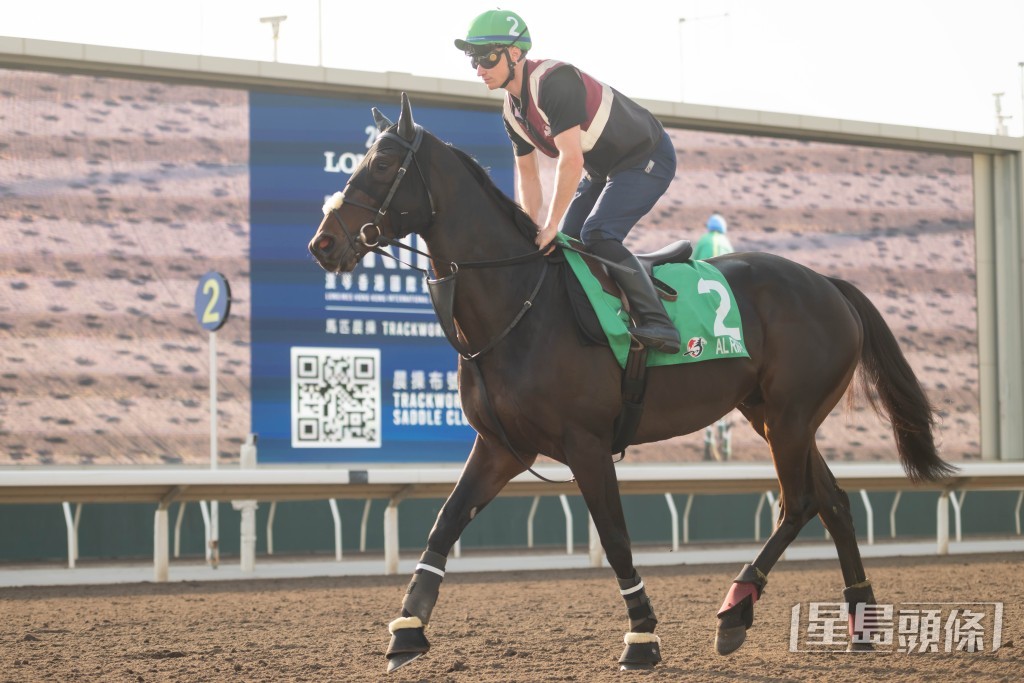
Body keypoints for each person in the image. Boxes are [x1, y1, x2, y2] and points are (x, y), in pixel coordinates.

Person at [454, 9, 681, 354]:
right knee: (568, 245)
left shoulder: (553, 83)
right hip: (604, 169)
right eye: (473, 61)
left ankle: (659, 323)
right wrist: (532, 230)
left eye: (487, 57)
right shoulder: (511, 111)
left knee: (597, 234)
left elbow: (570, 160)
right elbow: (527, 175)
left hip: (645, 157)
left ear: (515, 54)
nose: (479, 68)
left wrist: (551, 224)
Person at [693, 212, 735, 460]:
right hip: (726, 309)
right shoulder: (727, 244)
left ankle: (708, 438)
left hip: (705, 304)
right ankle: (726, 442)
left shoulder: (704, 241)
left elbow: (694, 267)